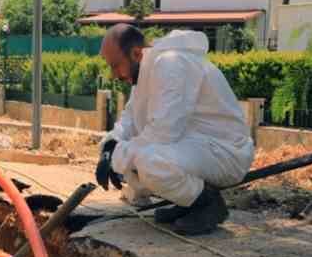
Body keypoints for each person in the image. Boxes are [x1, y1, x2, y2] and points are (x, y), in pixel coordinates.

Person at [96, 23, 256, 235]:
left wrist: (117, 157)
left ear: (136, 54)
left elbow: (162, 133)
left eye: (115, 66)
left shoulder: (171, 63)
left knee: (149, 162)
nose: (113, 75)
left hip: (226, 153)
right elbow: (129, 121)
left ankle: (207, 204)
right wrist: (108, 147)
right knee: (129, 154)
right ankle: (188, 202)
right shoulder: (147, 72)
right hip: (200, 148)